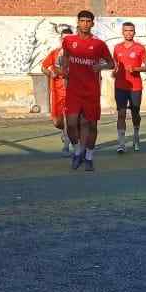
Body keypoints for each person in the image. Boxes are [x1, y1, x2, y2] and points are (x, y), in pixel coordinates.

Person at [59, 10, 114, 172]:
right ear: (78, 22)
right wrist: (64, 68)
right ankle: (77, 151)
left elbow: (111, 63)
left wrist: (101, 66)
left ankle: (89, 157)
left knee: (91, 125)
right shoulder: (69, 41)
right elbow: (66, 56)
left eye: (88, 21)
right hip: (73, 90)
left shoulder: (99, 44)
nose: (85, 24)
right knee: (71, 124)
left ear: (92, 24)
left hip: (91, 91)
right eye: (82, 20)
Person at [112, 21, 146, 153]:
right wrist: (114, 71)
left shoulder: (140, 48)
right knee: (121, 113)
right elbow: (115, 65)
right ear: (122, 32)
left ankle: (136, 136)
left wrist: (135, 68)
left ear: (134, 32)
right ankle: (121, 143)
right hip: (120, 86)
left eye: (131, 30)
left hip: (135, 86)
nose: (128, 33)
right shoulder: (117, 48)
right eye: (126, 30)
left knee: (135, 113)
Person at [40, 24, 74, 153]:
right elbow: (43, 67)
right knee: (57, 122)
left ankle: (68, 143)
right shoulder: (54, 53)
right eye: (64, 38)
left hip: (72, 90)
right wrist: (50, 73)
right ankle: (64, 132)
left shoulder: (76, 55)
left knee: (68, 117)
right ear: (61, 39)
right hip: (57, 91)